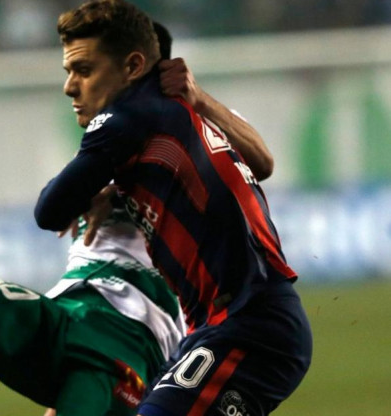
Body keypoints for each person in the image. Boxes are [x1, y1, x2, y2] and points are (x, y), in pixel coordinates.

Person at [33, 1, 312, 415]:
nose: (70, 86)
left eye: (84, 70)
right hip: (219, 326)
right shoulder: (183, 118)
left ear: (133, 66)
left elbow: (49, 212)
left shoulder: (124, 122)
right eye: (70, 72)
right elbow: (257, 163)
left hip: (249, 324)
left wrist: (98, 183)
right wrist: (117, 191)